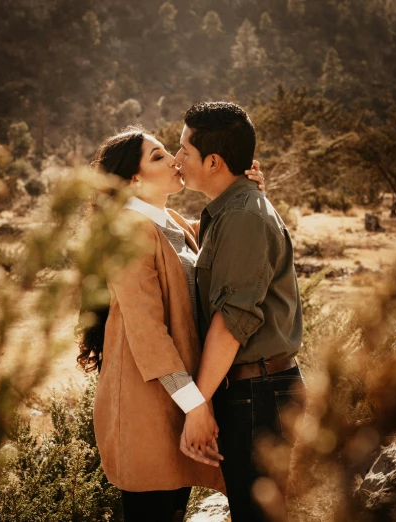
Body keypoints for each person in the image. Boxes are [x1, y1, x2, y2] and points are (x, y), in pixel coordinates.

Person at [78, 126, 265, 522]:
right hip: (147, 404)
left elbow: (227, 242)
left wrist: (246, 192)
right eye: (160, 156)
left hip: (179, 398)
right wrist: (196, 406)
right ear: (133, 179)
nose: (176, 160)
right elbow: (147, 332)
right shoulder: (127, 232)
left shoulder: (173, 221)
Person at [174, 102, 305, 521]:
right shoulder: (229, 209)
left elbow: (233, 323)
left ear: (213, 161)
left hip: (258, 393)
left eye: (184, 151)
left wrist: (198, 403)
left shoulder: (243, 215)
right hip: (251, 390)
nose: (177, 160)